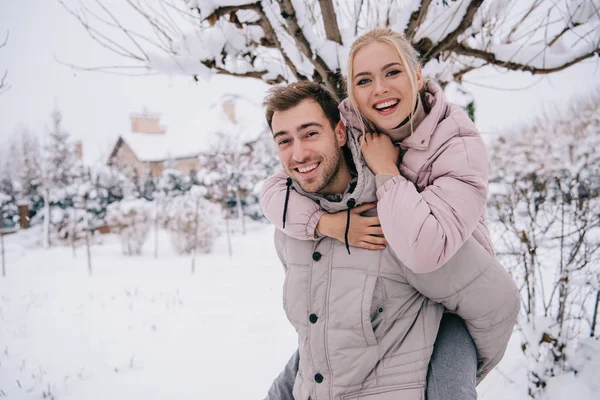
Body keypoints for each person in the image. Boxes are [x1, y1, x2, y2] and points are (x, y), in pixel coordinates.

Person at [261, 81, 519, 400]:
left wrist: (452, 382)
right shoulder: (291, 231)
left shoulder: (399, 219)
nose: (298, 153)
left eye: (310, 133)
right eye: (284, 140)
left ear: (340, 133)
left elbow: (496, 304)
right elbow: (315, 340)